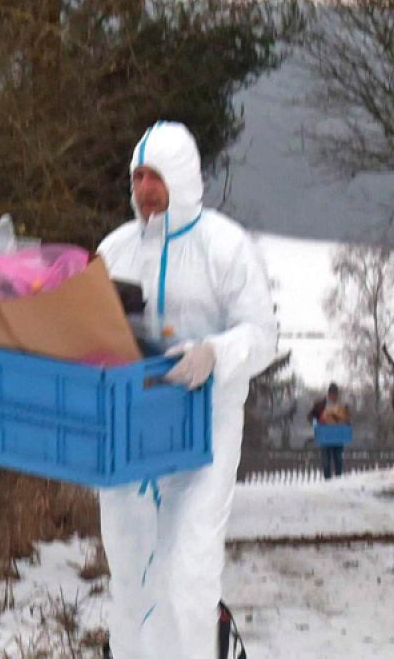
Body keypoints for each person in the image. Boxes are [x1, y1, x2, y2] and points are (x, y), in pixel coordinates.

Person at [97, 120, 279, 659]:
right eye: (137, 177)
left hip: (205, 432)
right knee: (131, 576)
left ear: (181, 179)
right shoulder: (115, 249)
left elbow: (262, 336)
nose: (144, 189)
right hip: (130, 434)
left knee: (186, 574)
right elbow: (90, 327)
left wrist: (215, 355)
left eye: (155, 177)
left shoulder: (225, 247)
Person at [309, 383, 350, 479]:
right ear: (328, 394)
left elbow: (348, 419)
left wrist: (345, 423)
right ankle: (327, 481)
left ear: (337, 394)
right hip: (325, 436)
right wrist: (315, 422)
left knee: (338, 460)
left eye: (335, 394)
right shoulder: (320, 405)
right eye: (331, 394)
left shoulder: (342, 406)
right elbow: (310, 416)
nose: (333, 396)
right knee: (326, 462)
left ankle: (338, 481)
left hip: (338, 437)